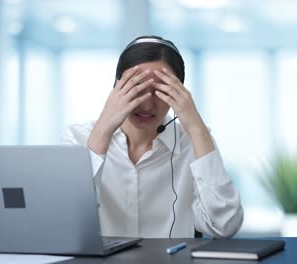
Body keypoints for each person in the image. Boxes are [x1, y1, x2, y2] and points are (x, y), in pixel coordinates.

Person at [61, 35, 243, 238]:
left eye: (159, 90)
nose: (147, 105)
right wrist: (104, 127)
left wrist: (197, 127)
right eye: (137, 88)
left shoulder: (194, 141)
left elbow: (224, 226)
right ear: (117, 87)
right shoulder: (79, 138)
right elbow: (63, 219)